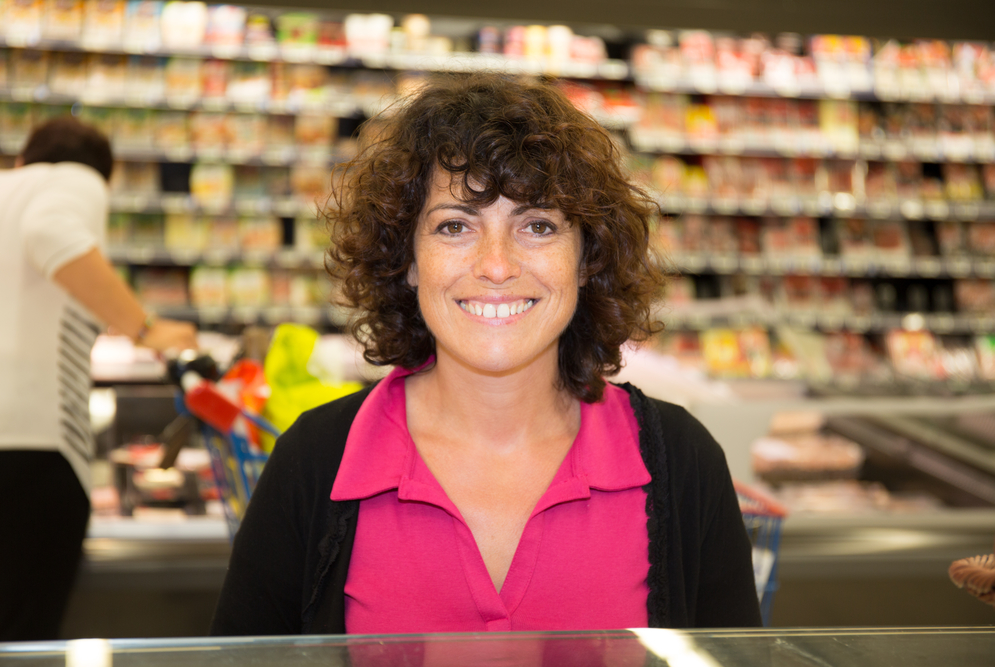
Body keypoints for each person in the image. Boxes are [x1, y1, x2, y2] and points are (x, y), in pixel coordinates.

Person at [211, 73, 761, 636]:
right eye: (455, 226)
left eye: (537, 225)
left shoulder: (682, 463)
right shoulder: (313, 462)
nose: (496, 266)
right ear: (408, 259)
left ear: (586, 258)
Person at [0, 116, 198, 641]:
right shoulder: (75, 180)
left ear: (21, 159)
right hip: (32, 454)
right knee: (21, 642)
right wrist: (146, 329)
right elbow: (50, 232)